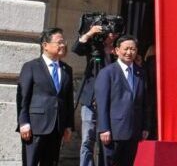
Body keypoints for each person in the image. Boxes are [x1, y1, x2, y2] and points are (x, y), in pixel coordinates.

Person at [17, 27, 74, 166]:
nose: (63, 45)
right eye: (59, 42)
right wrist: (23, 123)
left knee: (51, 162)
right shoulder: (31, 66)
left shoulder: (67, 69)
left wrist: (68, 125)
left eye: (63, 42)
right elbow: (23, 96)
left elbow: (68, 100)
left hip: (57, 126)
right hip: (35, 126)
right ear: (45, 45)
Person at [95, 35, 150, 166]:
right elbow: (102, 103)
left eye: (133, 49)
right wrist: (104, 128)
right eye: (126, 49)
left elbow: (145, 103)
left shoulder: (140, 73)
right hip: (113, 131)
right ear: (117, 50)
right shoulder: (107, 72)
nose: (129, 52)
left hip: (134, 130)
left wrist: (145, 126)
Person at [74, 23, 116, 166]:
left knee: (106, 139)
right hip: (90, 100)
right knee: (87, 139)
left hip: (110, 102)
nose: (111, 35)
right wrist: (90, 33)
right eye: (109, 32)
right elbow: (77, 48)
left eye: (113, 33)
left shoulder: (118, 52)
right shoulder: (94, 48)